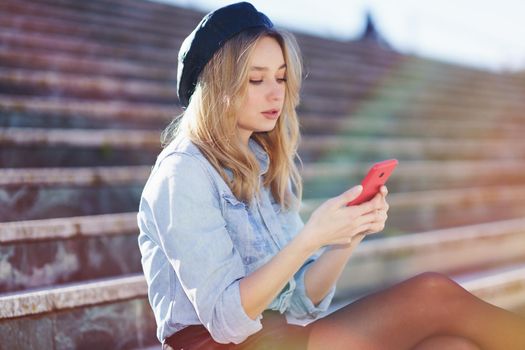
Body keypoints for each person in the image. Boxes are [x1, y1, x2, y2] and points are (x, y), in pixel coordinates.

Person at [137, 2, 525, 349]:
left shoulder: (262, 163)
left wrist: (347, 236)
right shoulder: (182, 173)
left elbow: (301, 302)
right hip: (223, 346)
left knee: (450, 345)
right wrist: (309, 239)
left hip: (276, 337)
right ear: (218, 86)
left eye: (281, 77)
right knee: (431, 293)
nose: (276, 94)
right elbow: (225, 322)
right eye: (256, 80)